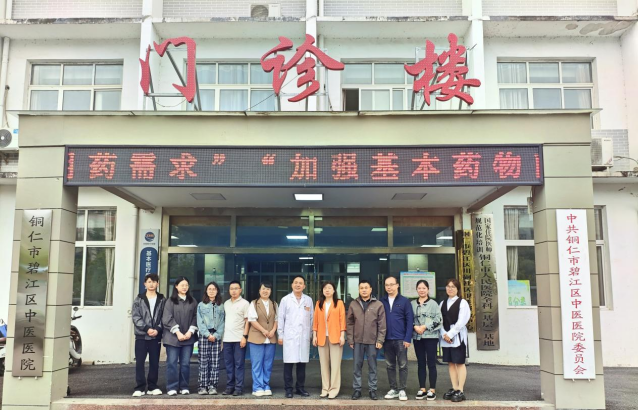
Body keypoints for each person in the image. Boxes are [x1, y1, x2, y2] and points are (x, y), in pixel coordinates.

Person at [346, 279, 386, 401]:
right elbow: (349, 323)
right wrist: (350, 339)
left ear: (370, 289)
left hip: (372, 341)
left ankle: (372, 390)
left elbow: (382, 324)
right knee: (357, 366)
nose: (364, 290)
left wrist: (380, 340)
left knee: (372, 366)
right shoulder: (353, 304)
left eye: (366, 288)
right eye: (361, 288)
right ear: (359, 290)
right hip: (357, 340)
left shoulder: (378, 304)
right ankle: (357, 390)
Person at [278, 275, 314, 398]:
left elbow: (311, 318)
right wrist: (280, 335)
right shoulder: (285, 300)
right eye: (296, 282)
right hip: (289, 336)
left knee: (301, 364)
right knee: (288, 364)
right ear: (292, 285)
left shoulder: (308, 300)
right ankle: (288, 389)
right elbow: (281, 318)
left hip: (304, 336)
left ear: (304, 286)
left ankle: (300, 388)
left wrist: (310, 334)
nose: (298, 285)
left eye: (300, 283)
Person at [162, 276, 198, 396]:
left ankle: (184, 386)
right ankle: (172, 387)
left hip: (188, 338)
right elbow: (167, 318)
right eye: (182, 285)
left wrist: (190, 332)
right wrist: (177, 332)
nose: (184, 287)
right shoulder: (170, 301)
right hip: (172, 338)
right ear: (176, 286)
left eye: (186, 285)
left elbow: (196, 317)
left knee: (185, 363)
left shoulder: (192, 301)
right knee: (172, 363)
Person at [131, 273, 166, 397]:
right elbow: (136, 317)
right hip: (141, 336)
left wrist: (157, 329)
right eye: (149, 282)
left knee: (154, 362)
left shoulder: (162, 299)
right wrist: (146, 329)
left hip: (155, 336)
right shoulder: (139, 299)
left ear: (158, 284)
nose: (151, 284)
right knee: (140, 363)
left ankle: (152, 386)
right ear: (144, 284)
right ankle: (140, 387)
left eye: (154, 282)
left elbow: (165, 316)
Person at [380, 275, 414, 401]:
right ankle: (393, 389)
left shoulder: (405, 301)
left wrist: (407, 338)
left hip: (401, 339)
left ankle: (402, 389)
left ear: (397, 285)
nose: (389, 287)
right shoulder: (382, 301)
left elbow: (410, 321)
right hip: (387, 339)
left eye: (391, 284)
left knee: (403, 365)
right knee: (390, 365)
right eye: (386, 285)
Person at [312, 281, 346, 399]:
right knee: (324, 365)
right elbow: (315, 321)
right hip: (322, 337)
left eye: (329, 288)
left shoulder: (339, 303)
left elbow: (342, 320)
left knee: (335, 365)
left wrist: (342, 335)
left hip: (336, 337)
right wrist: (314, 336)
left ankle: (334, 389)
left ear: (334, 290)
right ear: (322, 291)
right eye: (325, 288)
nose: (327, 290)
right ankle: (325, 388)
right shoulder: (319, 303)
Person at [439, 278, 471, 403]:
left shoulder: (462, 303)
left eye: (453, 286)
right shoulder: (442, 303)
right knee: (451, 363)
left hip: (457, 336)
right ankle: (454, 387)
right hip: (445, 336)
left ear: (457, 289)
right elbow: (439, 320)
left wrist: (450, 334)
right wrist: (444, 334)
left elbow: (462, 321)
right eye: (448, 286)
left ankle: (460, 390)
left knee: (459, 362)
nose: (450, 289)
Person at [411, 279, 442, 401]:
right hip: (417, 337)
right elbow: (408, 318)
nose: (421, 290)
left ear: (428, 289)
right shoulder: (412, 304)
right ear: (416, 290)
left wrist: (425, 327)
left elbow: (439, 320)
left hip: (431, 337)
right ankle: (422, 388)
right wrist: (415, 327)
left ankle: (432, 389)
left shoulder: (434, 304)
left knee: (431, 363)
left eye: (424, 288)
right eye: (419, 288)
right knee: (421, 363)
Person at [246, 282, 278, 397]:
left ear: (270, 291)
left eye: (268, 289)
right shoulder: (254, 303)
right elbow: (252, 320)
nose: (265, 291)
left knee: (268, 363)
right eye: (263, 289)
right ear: (259, 291)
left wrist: (273, 330)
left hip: (271, 338)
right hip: (257, 337)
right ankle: (257, 387)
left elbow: (276, 319)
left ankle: (266, 385)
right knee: (257, 363)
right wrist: (264, 331)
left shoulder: (274, 304)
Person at [222, 280, 250, 396]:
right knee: (228, 364)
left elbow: (247, 321)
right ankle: (230, 387)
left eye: (236, 288)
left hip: (239, 338)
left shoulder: (245, 303)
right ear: (229, 290)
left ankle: (239, 388)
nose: (234, 291)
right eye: (231, 289)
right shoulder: (226, 303)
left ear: (240, 290)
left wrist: (244, 336)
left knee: (239, 364)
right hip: (227, 339)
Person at [196, 281, 225, 395]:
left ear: (217, 291)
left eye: (214, 289)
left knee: (215, 362)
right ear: (206, 291)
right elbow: (200, 322)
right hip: (204, 336)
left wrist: (216, 335)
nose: (212, 291)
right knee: (203, 361)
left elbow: (222, 322)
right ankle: (202, 386)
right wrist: (208, 335)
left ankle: (213, 386)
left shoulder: (221, 305)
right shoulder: (201, 305)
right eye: (209, 289)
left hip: (216, 336)